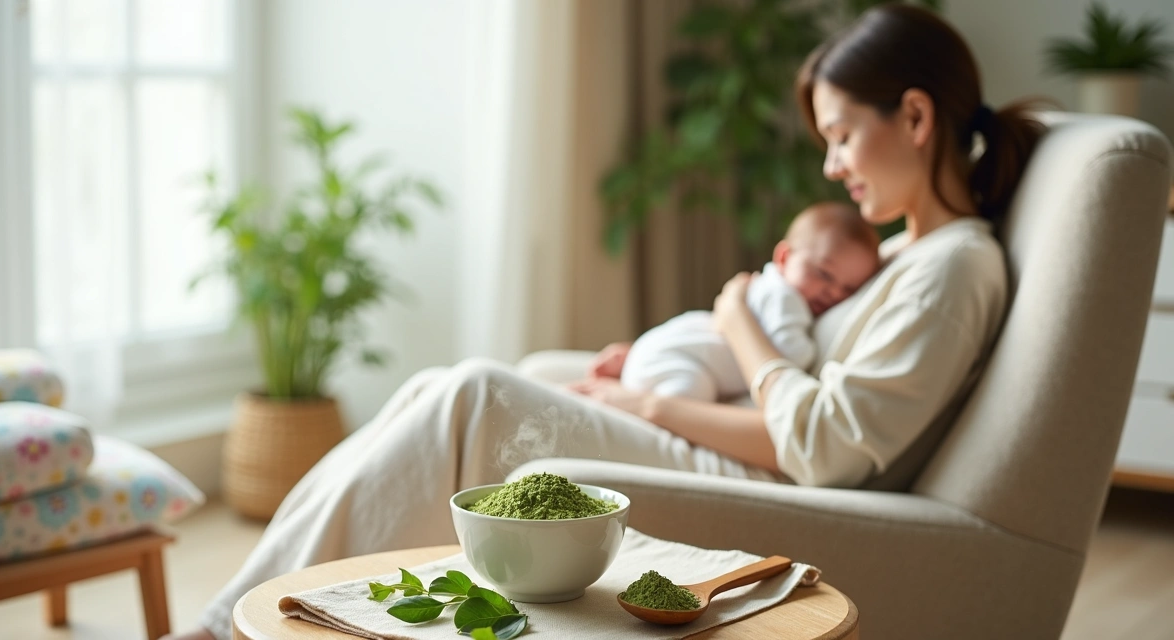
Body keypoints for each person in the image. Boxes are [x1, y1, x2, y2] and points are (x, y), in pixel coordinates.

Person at [166, 5, 1044, 639]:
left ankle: (221, 630)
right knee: (505, 376)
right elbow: (812, 378)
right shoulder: (903, 254)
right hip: (752, 436)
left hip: (784, 486)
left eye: (842, 136)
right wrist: (661, 361)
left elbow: (828, 448)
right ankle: (243, 611)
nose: (832, 165)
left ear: (915, 117)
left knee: (474, 395)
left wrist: (692, 370)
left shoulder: (953, 268)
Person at [618, 202, 879, 402]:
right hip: (677, 361)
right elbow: (794, 357)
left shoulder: (766, 287)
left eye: (849, 289)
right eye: (824, 274)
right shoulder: (784, 297)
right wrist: (814, 350)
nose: (833, 293)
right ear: (784, 257)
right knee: (691, 391)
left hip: (659, 351)